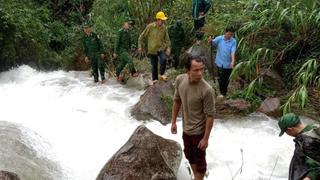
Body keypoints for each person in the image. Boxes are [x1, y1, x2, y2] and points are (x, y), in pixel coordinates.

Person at [171, 55, 215, 180]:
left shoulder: (207, 90)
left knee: (200, 163)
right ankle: (196, 177)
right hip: (186, 129)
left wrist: (205, 139)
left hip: (199, 132)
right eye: (196, 70)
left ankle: (198, 177)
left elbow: (210, 115)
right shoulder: (180, 80)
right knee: (189, 155)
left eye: (202, 69)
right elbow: (176, 101)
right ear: (187, 70)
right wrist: (173, 122)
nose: (200, 73)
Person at [278, 113, 320, 180]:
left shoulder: (305, 142)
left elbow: (316, 168)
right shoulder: (314, 128)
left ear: (290, 129)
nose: (287, 134)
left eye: (285, 132)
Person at [138, 11, 171, 82]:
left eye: (163, 20)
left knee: (164, 59)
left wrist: (168, 48)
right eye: (162, 20)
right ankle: (155, 81)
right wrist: (140, 46)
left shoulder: (164, 28)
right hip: (152, 50)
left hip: (160, 49)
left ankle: (161, 75)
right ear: (158, 20)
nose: (163, 22)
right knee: (154, 66)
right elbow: (141, 37)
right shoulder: (150, 27)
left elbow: (167, 39)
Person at [209, 26, 237, 97]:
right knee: (221, 79)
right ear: (225, 32)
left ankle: (223, 93)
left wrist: (232, 61)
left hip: (228, 64)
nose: (230, 36)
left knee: (226, 80)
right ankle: (222, 92)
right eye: (229, 34)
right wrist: (210, 41)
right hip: (219, 63)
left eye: (232, 34)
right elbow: (212, 43)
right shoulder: (219, 39)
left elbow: (232, 52)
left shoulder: (233, 41)